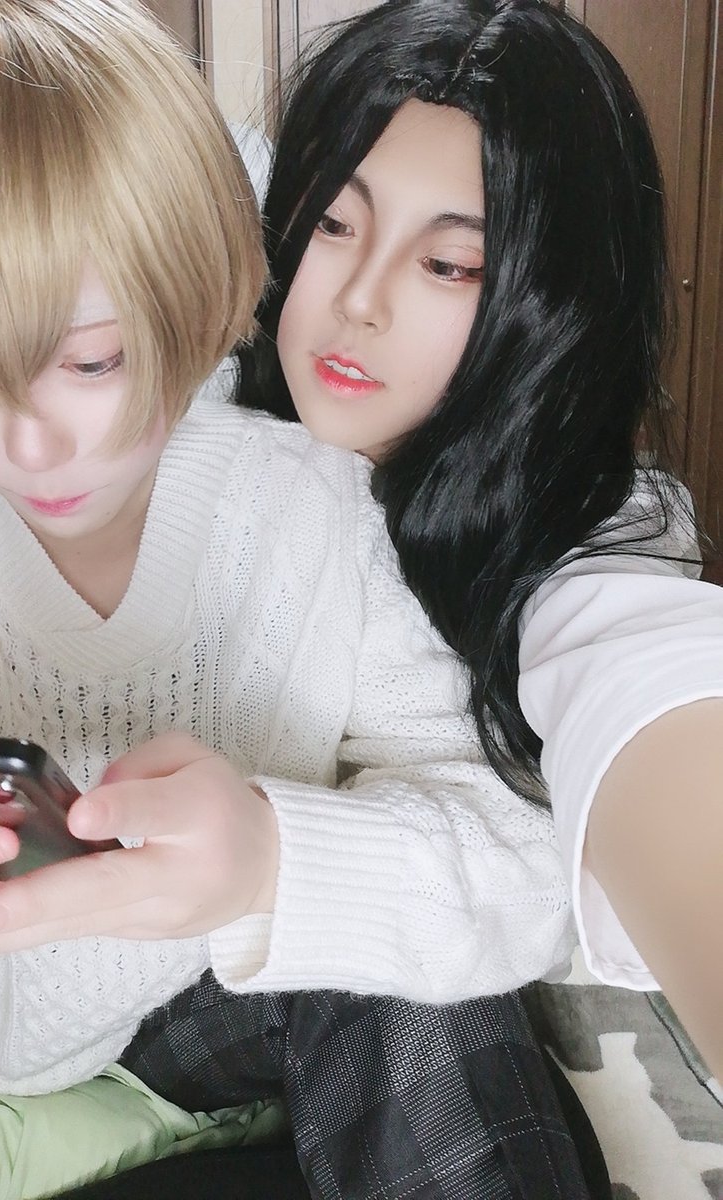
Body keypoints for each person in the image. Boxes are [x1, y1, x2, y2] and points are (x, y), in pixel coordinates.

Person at [0, 1, 596, 1196]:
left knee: (432, 980)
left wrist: (274, 865)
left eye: (91, 360)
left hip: (194, 1010)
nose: (34, 442)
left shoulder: (318, 506)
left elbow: (529, 868)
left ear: (193, 292)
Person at [232, 0, 723, 1083]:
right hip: (91, 984)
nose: (359, 301)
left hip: (332, 1008)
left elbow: (652, 685)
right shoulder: (183, 416)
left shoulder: (585, 543)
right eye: (333, 223)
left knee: (435, 1011)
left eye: (450, 265)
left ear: (552, 303)